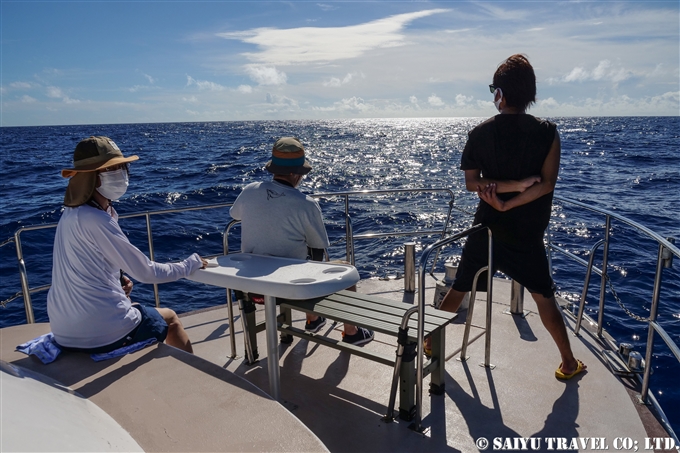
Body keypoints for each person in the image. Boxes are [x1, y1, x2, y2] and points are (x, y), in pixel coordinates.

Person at [434, 54, 586, 380]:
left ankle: (431, 342)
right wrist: (516, 193)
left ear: (500, 94)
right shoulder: (548, 134)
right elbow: (546, 185)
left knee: (460, 287)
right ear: (530, 93)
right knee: (544, 297)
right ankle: (569, 363)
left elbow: (472, 183)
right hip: (526, 234)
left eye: (494, 89)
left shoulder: (479, 134)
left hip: (486, 227)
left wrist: (502, 202)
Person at [47, 136, 207, 354]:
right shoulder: (97, 219)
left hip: (63, 330)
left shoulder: (71, 215)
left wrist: (117, 279)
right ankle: (193, 377)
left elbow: (90, 262)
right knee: (170, 318)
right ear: (93, 177)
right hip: (99, 332)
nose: (121, 173)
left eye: (122, 167)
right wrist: (191, 264)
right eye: (113, 168)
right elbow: (147, 272)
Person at [230, 137, 374, 345]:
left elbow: (235, 214)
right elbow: (318, 248)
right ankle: (351, 333)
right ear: (296, 174)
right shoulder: (306, 204)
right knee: (347, 271)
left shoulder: (250, 190)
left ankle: (313, 321)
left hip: (252, 287)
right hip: (291, 290)